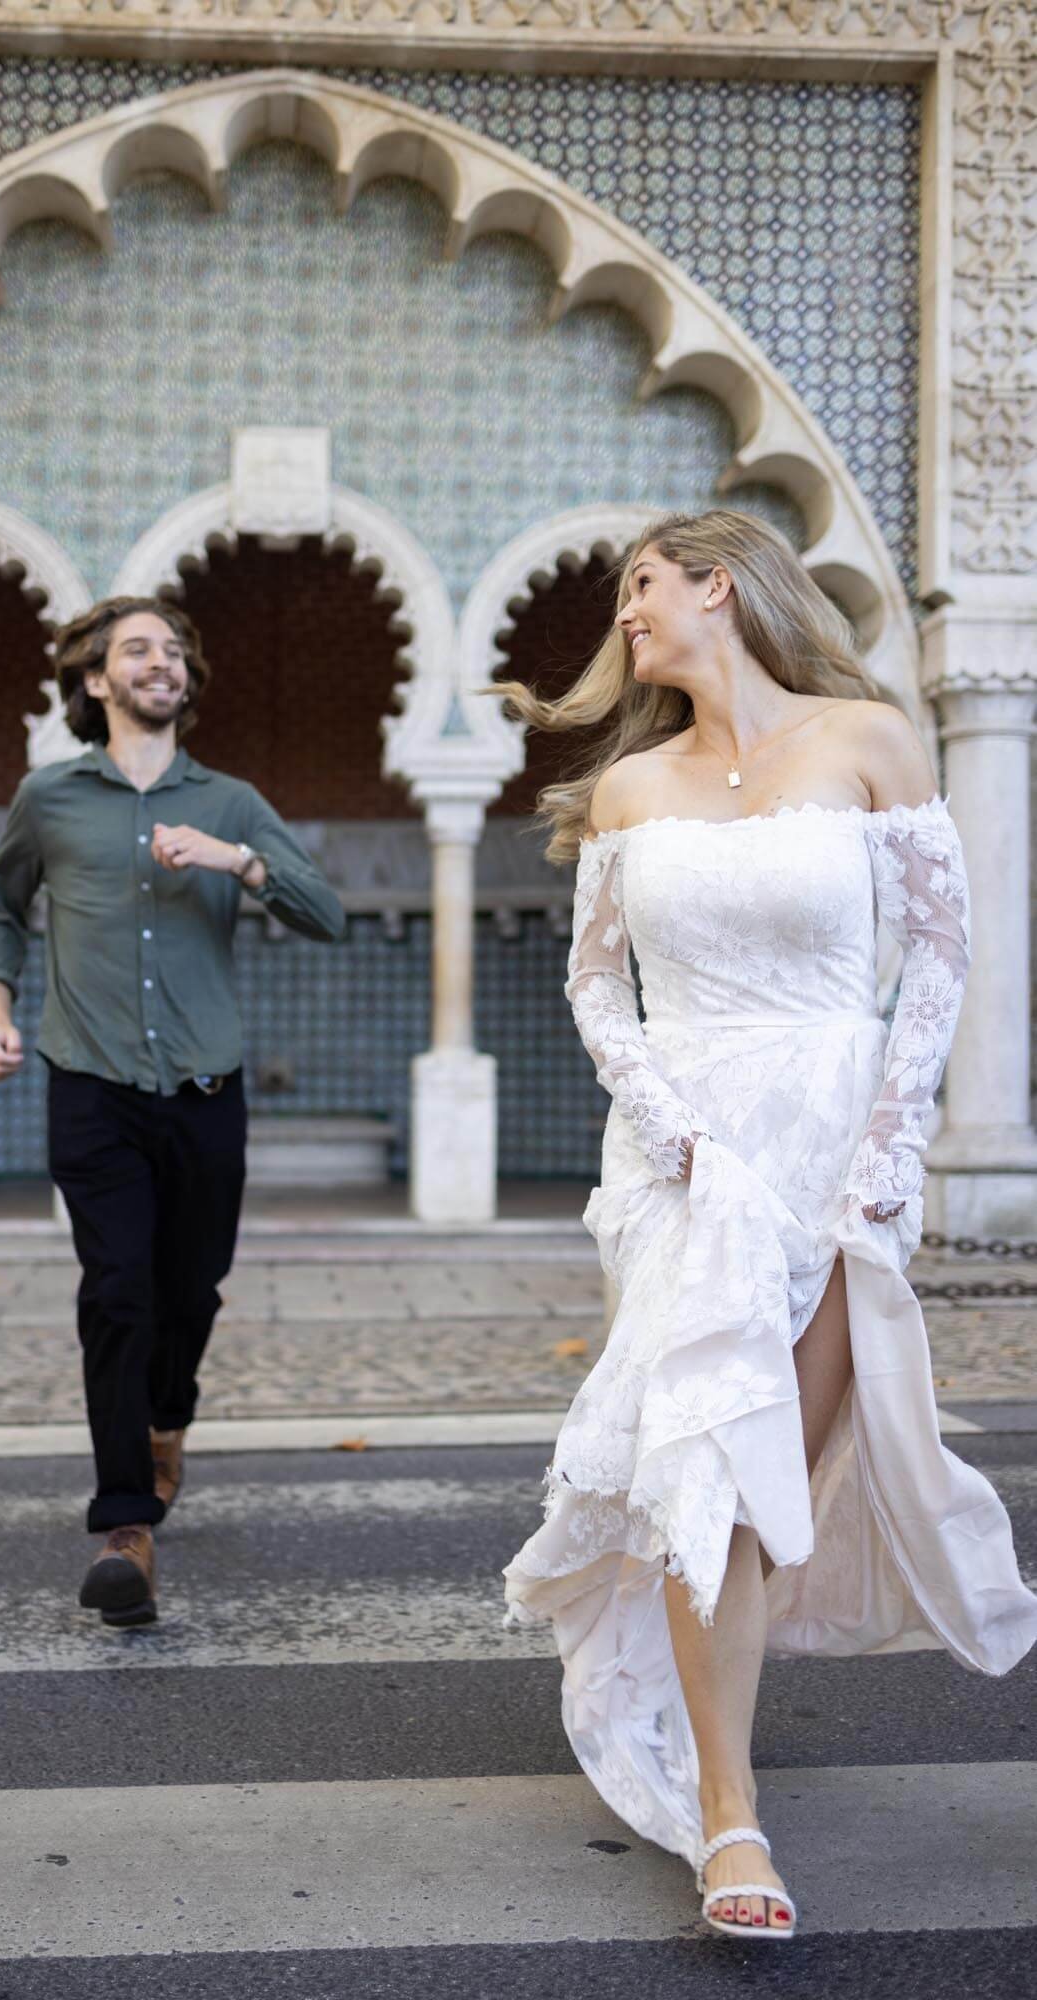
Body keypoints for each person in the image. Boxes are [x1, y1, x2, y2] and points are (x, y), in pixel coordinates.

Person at [497, 511, 1037, 1939]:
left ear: (713, 584)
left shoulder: (867, 740)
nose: (624, 620)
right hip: (684, 1164)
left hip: (832, 1144)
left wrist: (887, 1154)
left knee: (759, 1488)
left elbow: (935, 961)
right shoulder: (627, 792)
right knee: (707, 1475)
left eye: (639, 590)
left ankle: (706, 1698)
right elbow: (598, 990)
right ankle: (729, 1817)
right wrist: (670, 1132)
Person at [0, 595, 346, 1628]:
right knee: (116, 1289)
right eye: (138, 649)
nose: (161, 662)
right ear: (96, 679)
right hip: (87, 1085)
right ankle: (125, 1524)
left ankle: (169, 1417)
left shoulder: (229, 802)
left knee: (190, 1290)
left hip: (202, 1092)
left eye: (174, 650)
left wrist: (238, 859)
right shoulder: (49, 797)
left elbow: (329, 914)